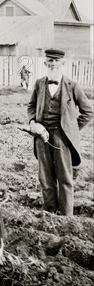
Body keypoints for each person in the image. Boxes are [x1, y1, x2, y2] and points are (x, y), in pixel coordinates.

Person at [27, 48, 92, 216]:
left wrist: (72, 129)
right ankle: (49, 212)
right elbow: (31, 106)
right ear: (45, 64)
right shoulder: (39, 84)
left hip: (62, 138)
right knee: (45, 177)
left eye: (56, 63)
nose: (53, 65)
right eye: (50, 63)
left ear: (63, 64)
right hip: (42, 137)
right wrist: (33, 122)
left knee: (64, 178)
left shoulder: (73, 86)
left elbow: (88, 112)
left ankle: (66, 216)